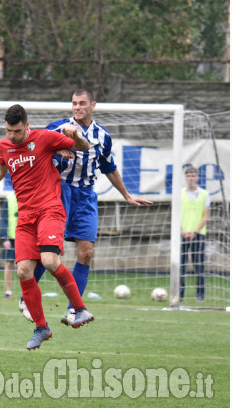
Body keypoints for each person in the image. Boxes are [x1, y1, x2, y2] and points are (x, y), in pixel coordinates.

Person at [0, 104, 94, 351]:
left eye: (16, 131)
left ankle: (80, 309)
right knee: (24, 271)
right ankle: (41, 328)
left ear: (27, 125)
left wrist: (75, 136)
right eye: (8, 131)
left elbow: (84, 148)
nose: (12, 136)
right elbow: (2, 168)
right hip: (25, 217)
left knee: (49, 260)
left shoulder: (45, 138)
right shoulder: (5, 146)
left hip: (49, 209)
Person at [25, 88, 153, 325]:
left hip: (85, 196)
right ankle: (27, 297)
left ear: (93, 105)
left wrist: (126, 195)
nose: (77, 107)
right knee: (50, 249)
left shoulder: (103, 136)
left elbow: (109, 167)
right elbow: (34, 147)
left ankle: (73, 310)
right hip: (58, 191)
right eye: (74, 103)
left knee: (86, 252)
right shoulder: (57, 127)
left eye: (82, 103)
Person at [180, 166, 210, 302]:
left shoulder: (204, 194)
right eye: (188, 176)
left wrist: (195, 231)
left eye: (193, 176)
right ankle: (179, 294)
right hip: (182, 234)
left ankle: (200, 294)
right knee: (180, 265)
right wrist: (182, 231)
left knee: (198, 265)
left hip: (198, 234)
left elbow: (205, 216)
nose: (191, 178)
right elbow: (175, 215)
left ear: (197, 177)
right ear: (185, 178)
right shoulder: (180, 193)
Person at [0, 193, 18, 299]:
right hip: (11, 237)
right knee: (9, 263)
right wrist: (4, 237)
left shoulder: (32, 195)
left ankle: (27, 293)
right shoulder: (10, 198)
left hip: (26, 237)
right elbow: (3, 219)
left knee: (26, 265)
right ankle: (8, 291)